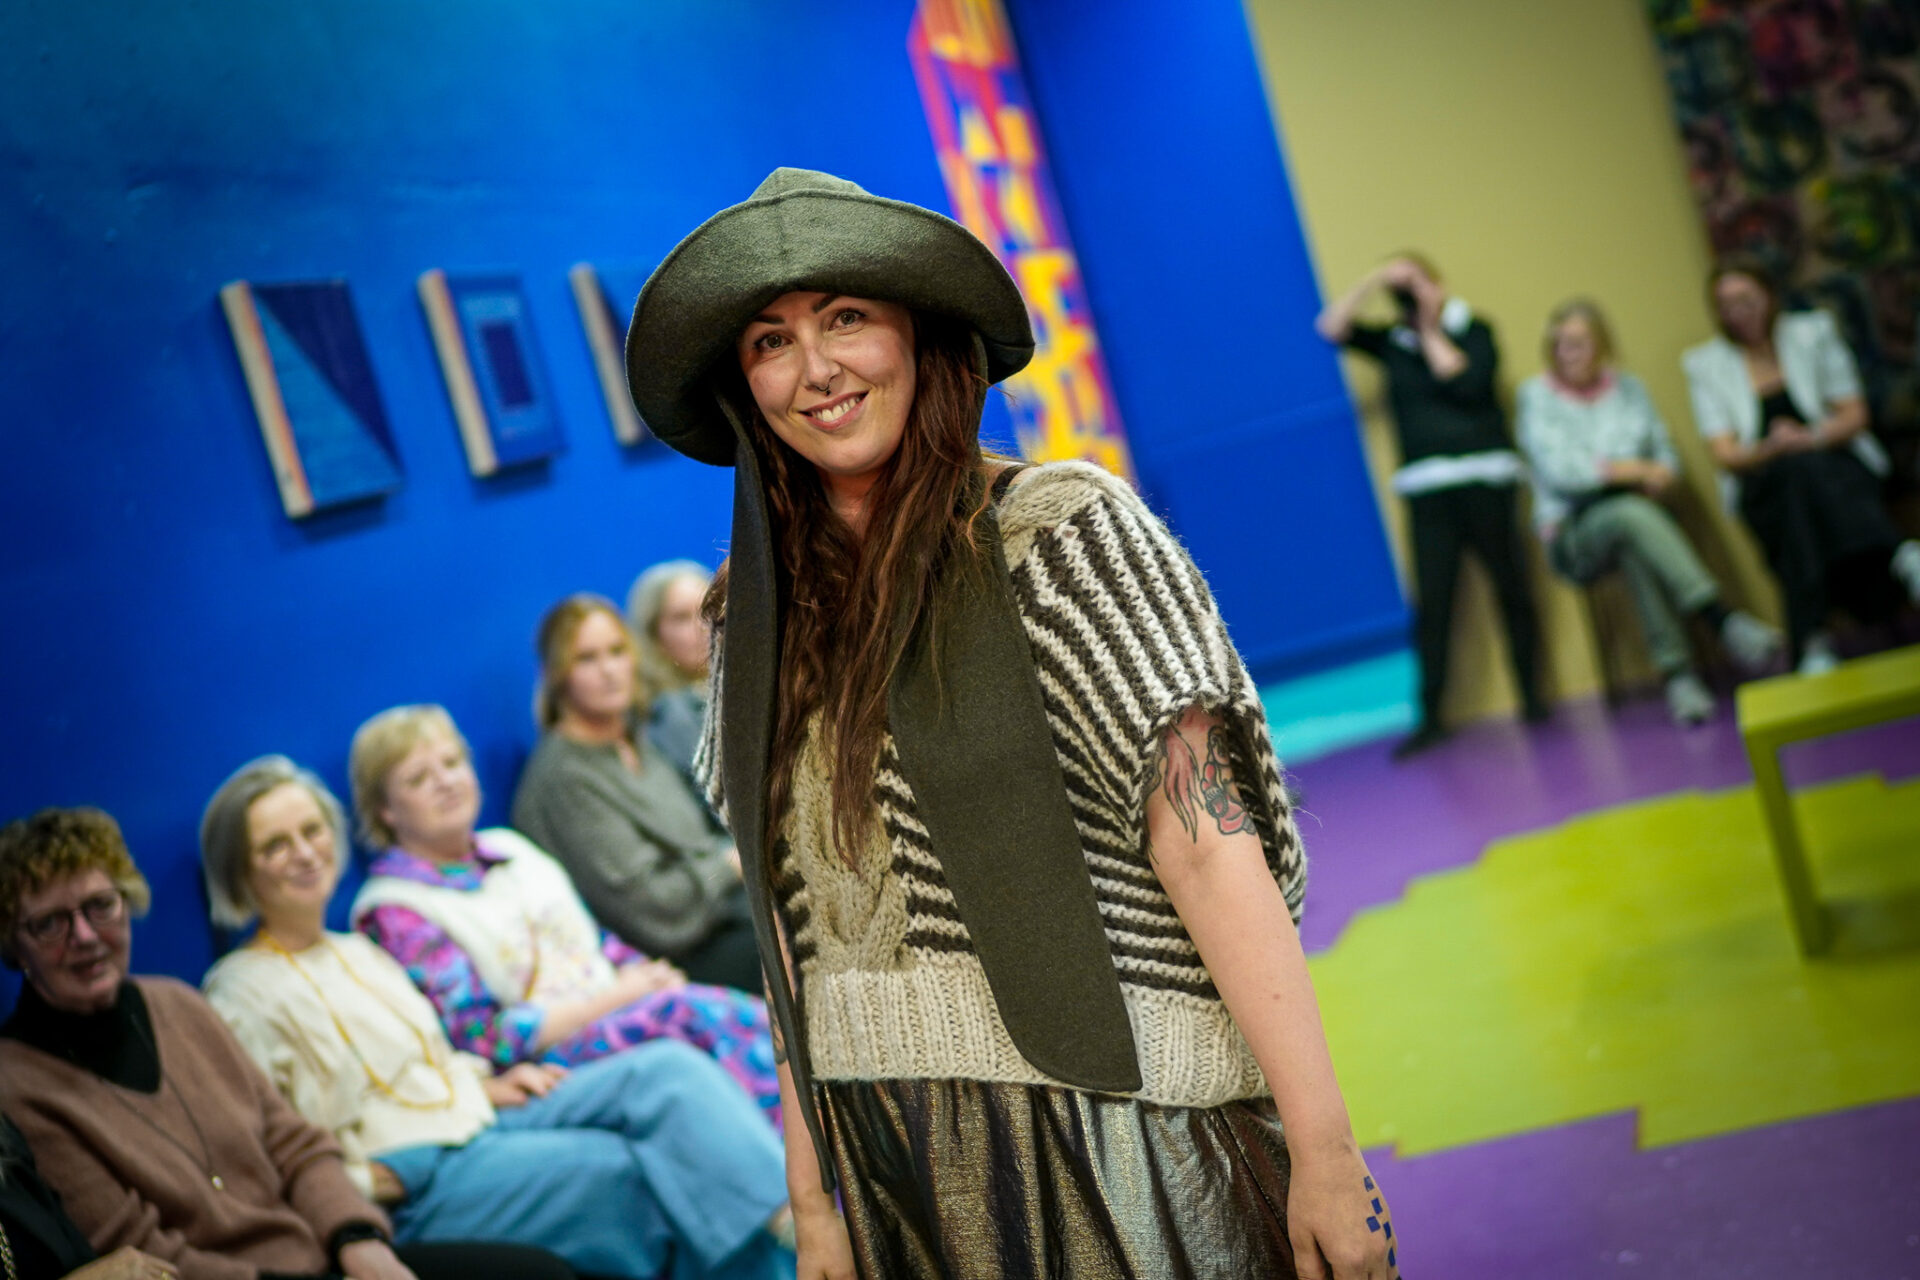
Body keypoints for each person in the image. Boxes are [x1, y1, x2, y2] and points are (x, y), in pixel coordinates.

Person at [622, 166, 1398, 1280]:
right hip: (898, 1156)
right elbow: (789, 925)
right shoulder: (752, 616)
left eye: (848, 320)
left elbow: (1207, 840)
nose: (818, 369)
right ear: (744, 386)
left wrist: (1325, 1148)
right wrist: (815, 1202)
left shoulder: (1062, 534)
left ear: (921, 338)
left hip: (1126, 1128)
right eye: (771, 341)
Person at [198, 756, 794, 1280]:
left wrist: (482, 1083)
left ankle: (807, 1232)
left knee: (670, 1072)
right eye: (275, 845)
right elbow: (273, 1148)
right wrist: (364, 1186)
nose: (304, 853)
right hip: (408, 1179)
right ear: (239, 872)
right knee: (628, 1173)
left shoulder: (356, 950)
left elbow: (430, 1055)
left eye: (311, 831)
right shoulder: (239, 993)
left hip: (474, 1115)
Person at [0, 807, 572, 1280]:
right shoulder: (19, 1082)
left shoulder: (178, 1004)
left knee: (542, 1273)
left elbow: (294, 1142)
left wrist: (359, 1239)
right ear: (13, 945)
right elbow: (139, 1251)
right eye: (50, 923)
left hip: (329, 1254)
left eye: (101, 906)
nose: (85, 937)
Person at [346, 705, 780, 1131]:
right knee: (694, 1015)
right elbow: (483, 1036)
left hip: (618, 1003)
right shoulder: (396, 908)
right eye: (419, 779)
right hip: (542, 1060)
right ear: (385, 809)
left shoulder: (510, 848)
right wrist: (619, 997)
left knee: (757, 1016)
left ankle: (827, 1166)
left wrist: (646, 972)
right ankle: (799, 1182)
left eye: (452, 762)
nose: (446, 782)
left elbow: (592, 940)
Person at [1317, 253, 1547, 757]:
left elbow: (1458, 376)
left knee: (1512, 590)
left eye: (1416, 284)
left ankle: (1533, 700)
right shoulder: (1392, 342)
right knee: (1435, 605)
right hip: (1427, 491)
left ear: (1438, 286)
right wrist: (1376, 279)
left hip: (1486, 480)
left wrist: (1428, 320)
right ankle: (1431, 717)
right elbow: (1330, 327)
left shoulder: (1473, 329)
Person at [1517, 299, 1784, 723]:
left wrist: (1656, 473)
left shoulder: (1629, 389)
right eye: (1560, 345)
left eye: (1579, 344)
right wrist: (1635, 469)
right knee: (1629, 516)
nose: (1568, 354)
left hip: (1635, 519)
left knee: (1633, 537)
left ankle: (1679, 675)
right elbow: (1563, 472)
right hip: (1573, 533)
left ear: (1602, 345)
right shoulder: (1537, 396)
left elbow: (1666, 455)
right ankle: (1720, 617)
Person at [512, 596, 762, 992]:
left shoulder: (636, 740)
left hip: (729, 916)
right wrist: (729, 866)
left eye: (616, 652)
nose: (609, 671)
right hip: (674, 963)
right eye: (586, 659)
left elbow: (701, 844)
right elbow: (654, 911)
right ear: (559, 676)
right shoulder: (562, 779)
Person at [1682, 259, 1920, 673]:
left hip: (1835, 462)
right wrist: (1775, 446)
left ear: (1769, 295)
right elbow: (1725, 452)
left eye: (1746, 300)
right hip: (1764, 480)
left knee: (1806, 478)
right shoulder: (1705, 364)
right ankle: (1899, 552)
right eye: (1727, 305)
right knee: (1795, 479)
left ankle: (1810, 637)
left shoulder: (1813, 333)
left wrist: (1809, 438)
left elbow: (1853, 415)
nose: (1739, 312)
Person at [627, 560, 717, 781]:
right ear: (653, 635)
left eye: (709, 609)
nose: (704, 625)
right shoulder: (662, 713)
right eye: (681, 618)